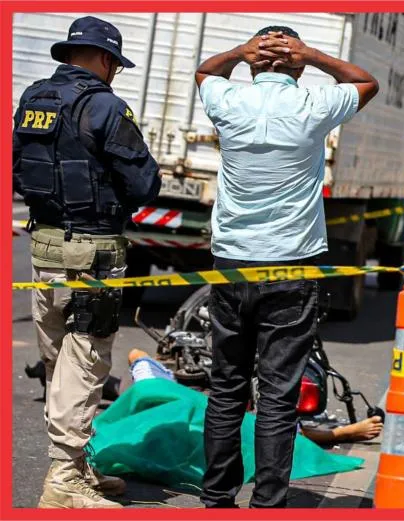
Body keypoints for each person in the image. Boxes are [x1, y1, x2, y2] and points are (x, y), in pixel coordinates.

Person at [194, 26, 378, 508]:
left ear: (253, 65)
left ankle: (216, 499)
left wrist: (238, 52)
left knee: (227, 388)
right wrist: (312, 55)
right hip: (291, 269)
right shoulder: (314, 106)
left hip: (231, 266)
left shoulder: (228, 101)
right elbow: (365, 83)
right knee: (277, 397)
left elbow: (204, 72)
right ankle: (268, 505)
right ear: (297, 67)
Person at [13, 16, 161, 508]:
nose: (114, 72)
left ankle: (75, 466)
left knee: (60, 360)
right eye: (115, 63)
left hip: (43, 247)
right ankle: (63, 482)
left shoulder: (34, 99)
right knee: (85, 360)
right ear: (104, 59)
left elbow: (18, 169)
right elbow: (144, 185)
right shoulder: (105, 106)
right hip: (93, 252)